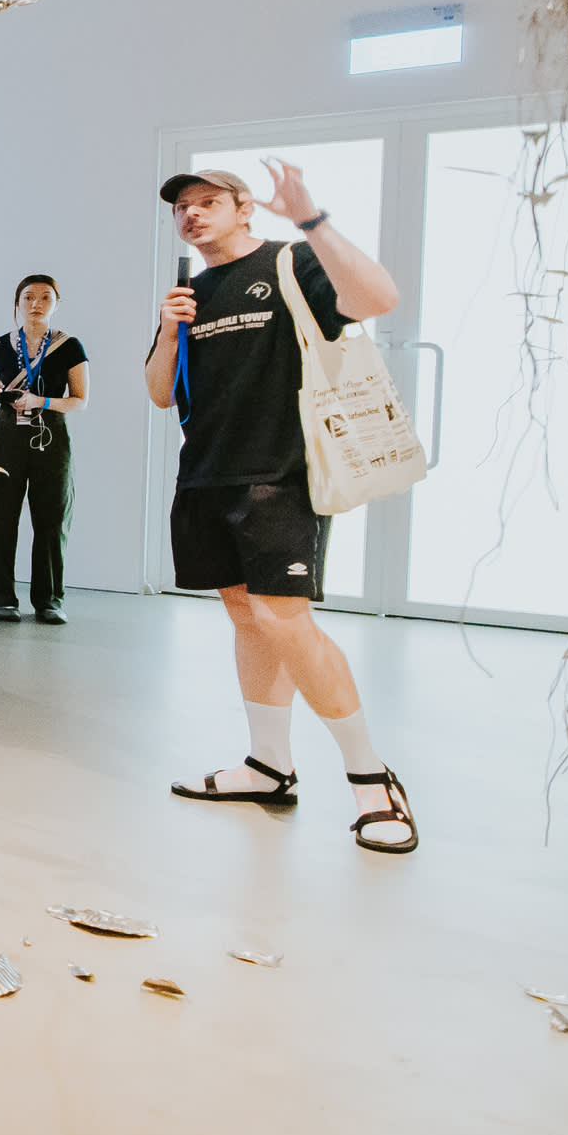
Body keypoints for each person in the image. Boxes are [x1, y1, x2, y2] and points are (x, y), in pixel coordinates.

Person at [152, 163, 416, 854]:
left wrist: (311, 219)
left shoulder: (291, 263)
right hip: (206, 476)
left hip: (281, 476)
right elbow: (159, 392)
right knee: (246, 615)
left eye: (207, 201)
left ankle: (373, 780)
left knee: (283, 621)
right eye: (182, 206)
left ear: (245, 209)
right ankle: (268, 765)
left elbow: (380, 297)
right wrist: (168, 329)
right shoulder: (190, 292)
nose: (191, 213)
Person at [0, 274, 89, 624]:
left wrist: (42, 400)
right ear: (17, 303)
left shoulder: (69, 346)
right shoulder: (0, 344)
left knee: (52, 517)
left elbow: (80, 400)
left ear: (56, 303)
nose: (36, 304)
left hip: (50, 435)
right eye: (28, 297)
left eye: (44, 297)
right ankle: (0, 598)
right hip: (6, 435)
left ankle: (49, 601)